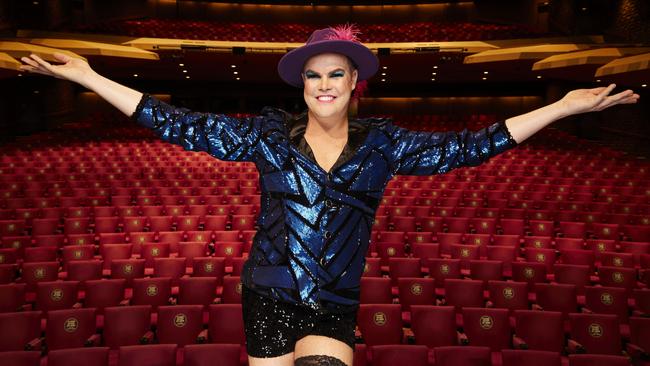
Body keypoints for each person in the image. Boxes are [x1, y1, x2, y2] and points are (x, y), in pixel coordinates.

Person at [19, 24, 639, 366]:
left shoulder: (385, 145)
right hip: (265, 292)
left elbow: (468, 147)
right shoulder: (267, 135)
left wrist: (558, 107)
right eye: (313, 74)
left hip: (334, 300)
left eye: (335, 73)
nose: (323, 84)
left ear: (355, 83)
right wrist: (89, 76)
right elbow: (183, 124)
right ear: (303, 85)